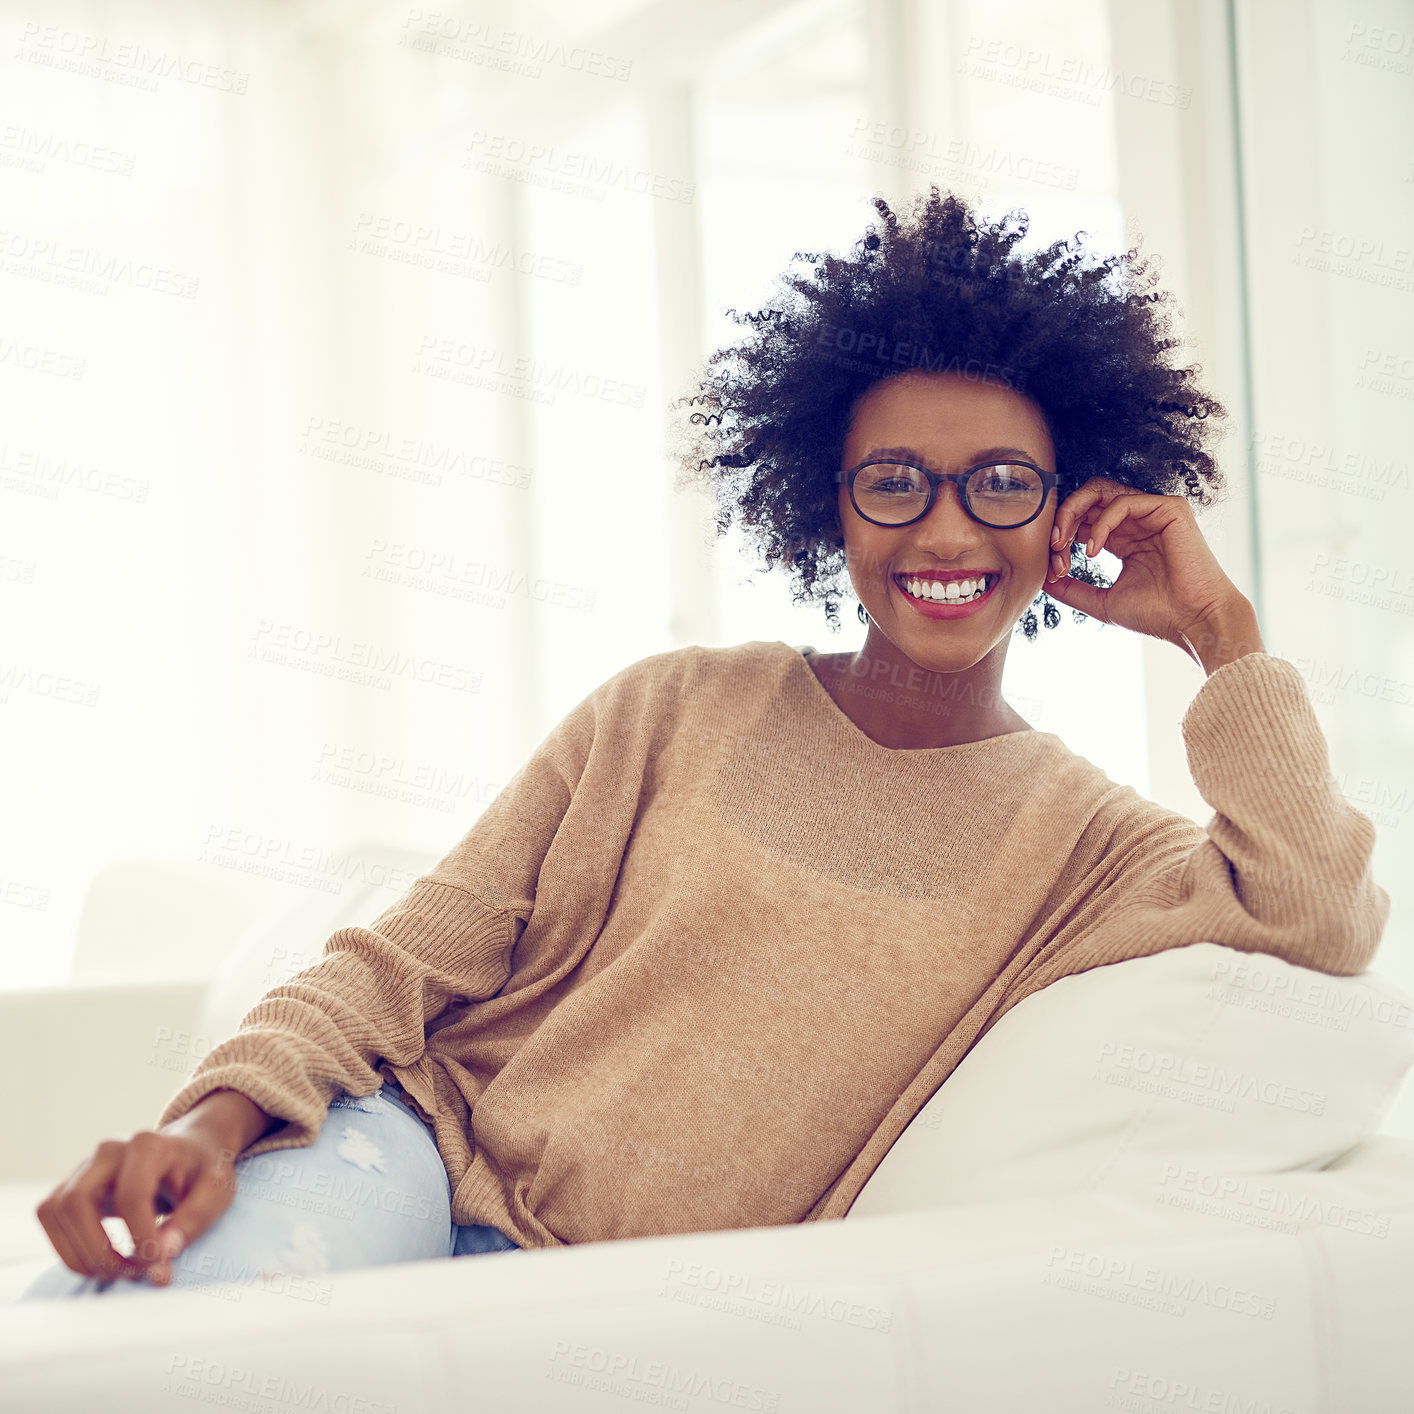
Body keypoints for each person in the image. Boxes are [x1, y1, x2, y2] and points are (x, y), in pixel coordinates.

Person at [21, 186, 1389, 1301]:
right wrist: (209, 1121)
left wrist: (1218, 630)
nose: (947, 531)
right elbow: (400, 963)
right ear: (825, 502)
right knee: (150, 1325)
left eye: (1002, 486)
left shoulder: (1089, 848)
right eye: (894, 481)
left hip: (623, 1302)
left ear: (1062, 519)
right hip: (413, 1152)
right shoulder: (671, 706)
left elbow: (1318, 913)